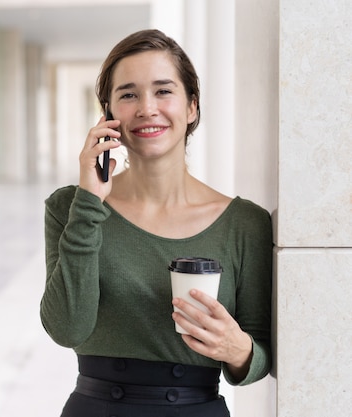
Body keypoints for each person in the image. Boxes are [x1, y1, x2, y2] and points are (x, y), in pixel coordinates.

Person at [40, 29, 272, 417]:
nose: (147, 108)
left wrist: (238, 350)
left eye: (163, 91)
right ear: (109, 115)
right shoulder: (72, 207)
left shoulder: (245, 223)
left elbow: (262, 355)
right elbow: (67, 329)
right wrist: (88, 203)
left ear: (192, 107)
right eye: (129, 95)